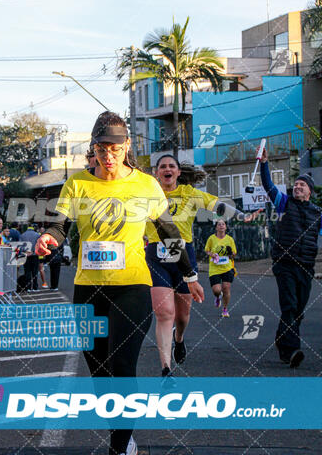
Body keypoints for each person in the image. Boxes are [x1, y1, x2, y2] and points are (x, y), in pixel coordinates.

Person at [36, 111, 203, 455]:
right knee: (98, 368)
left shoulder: (145, 184)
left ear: (126, 146)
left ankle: (119, 446)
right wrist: (48, 238)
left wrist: (189, 275)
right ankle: (122, 432)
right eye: (101, 148)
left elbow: (169, 231)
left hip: (132, 286)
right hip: (88, 288)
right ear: (93, 148)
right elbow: (59, 225)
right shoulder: (78, 183)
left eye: (114, 147)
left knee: (122, 363)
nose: (108, 155)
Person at [145, 155, 258, 378]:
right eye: (162, 167)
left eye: (171, 166)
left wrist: (242, 215)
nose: (167, 169)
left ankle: (179, 338)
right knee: (164, 313)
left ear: (178, 172)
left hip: (184, 258)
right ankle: (166, 368)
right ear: (156, 173)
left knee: (182, 315)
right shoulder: (148, 196)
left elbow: (218, 205)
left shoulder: (189, 194)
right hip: (156, 258)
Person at [261, 146, 322, 368]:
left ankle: (281, 339)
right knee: (289, 306)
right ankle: (291, 351)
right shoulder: (284, 203)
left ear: (309, 191)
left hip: (306, 267)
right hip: (284, 264)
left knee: (298, 311)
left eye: (301, 185)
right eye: (295, 184)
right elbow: (268, 186)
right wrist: (264, 164)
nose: (297, 187)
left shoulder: (318, 214)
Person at [205, 219, 237, 318]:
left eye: (223, 224)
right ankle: (218, 297)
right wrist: (212, 254)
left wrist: (230, 253)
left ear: (226, 227)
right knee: (217, 290)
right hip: (214, 269)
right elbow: (207, 250)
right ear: (216, 227)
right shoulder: (211, 238)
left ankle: (225, 309)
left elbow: (234, 254)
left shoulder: (230, 239)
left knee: (226, 288)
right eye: (219, 224)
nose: (221, 226)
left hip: (227, 268)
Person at [20, 224, 41, 291]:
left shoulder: (22, 235)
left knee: (27, 272)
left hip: (26, 255)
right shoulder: (37, 235)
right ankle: (35, 287)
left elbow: (20, 246)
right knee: (35, 272)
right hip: (34, 255)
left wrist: (25, 252)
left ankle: (28, 288)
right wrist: (33, 251)